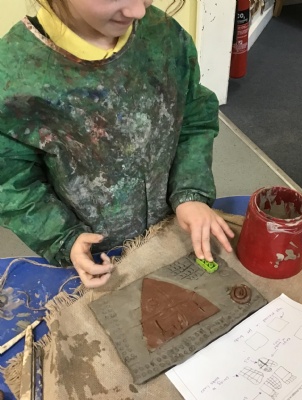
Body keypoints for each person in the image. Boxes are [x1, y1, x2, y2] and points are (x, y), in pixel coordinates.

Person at [0, 0, 234, 288]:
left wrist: (191, 193)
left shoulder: (163, 35)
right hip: (97, 254)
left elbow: (193, 118)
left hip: (172, 230)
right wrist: (63, 238)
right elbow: (11, 184)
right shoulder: (13, 79)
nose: (138, 11)